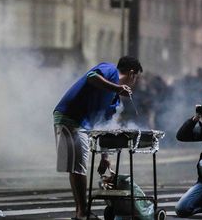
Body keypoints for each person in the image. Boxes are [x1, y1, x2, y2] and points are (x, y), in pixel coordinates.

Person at [53, 56, 142, 219]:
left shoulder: (114, 100)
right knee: (78, 167)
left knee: (76, 167)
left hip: (81, 124)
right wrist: (117, 87)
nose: (134, 84)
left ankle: (80, 211)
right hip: (71, 117)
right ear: (131, 74)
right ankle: (82, 212)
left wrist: (105, 157)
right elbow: (91, 77)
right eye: (136, 78)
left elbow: (103, 126)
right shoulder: (109, 70)